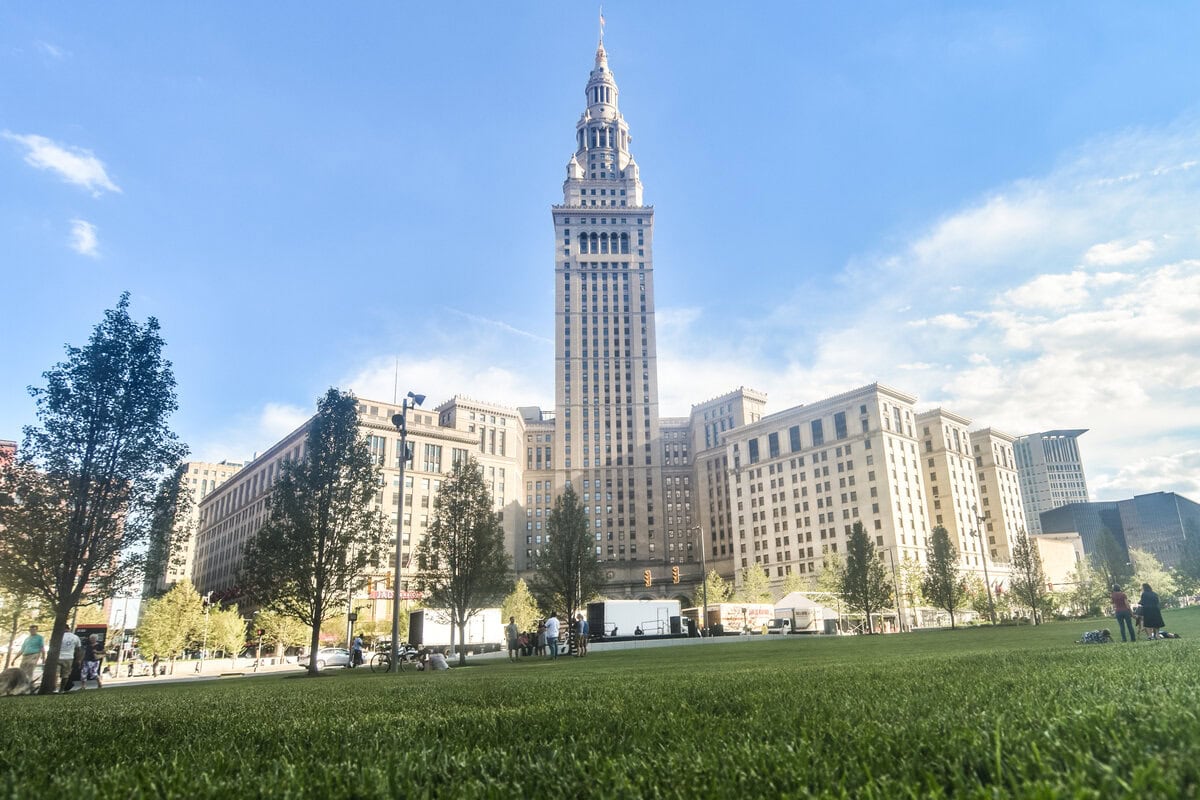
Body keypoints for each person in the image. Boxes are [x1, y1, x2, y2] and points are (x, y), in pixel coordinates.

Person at [56, 624, 82, 693]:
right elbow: (78, 649)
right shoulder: (75, 637)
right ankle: (61, 689)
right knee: (65, 675)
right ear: (69, 629)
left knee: (55, 674)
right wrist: (78, 659)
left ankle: (52, 688)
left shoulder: (58, 636)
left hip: (58, 657)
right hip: (69, 657)